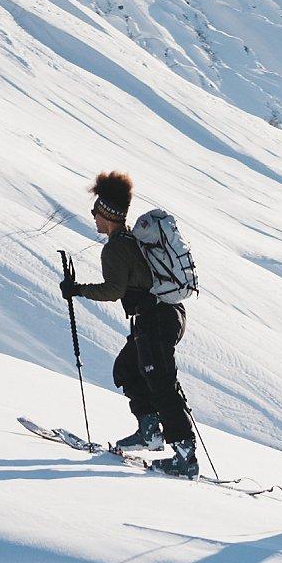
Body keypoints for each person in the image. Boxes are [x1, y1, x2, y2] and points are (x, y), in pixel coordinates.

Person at [61, 170, 196, 478]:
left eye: (96, 211)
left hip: (157, 318)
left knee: (161, 382)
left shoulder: (116, 247)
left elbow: (113, 291)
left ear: (107, 214)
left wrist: (77, 289)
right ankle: (150, 431)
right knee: (127, 369)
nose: (93, 216)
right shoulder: (129, 241)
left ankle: (185, 456)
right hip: (160, 317)